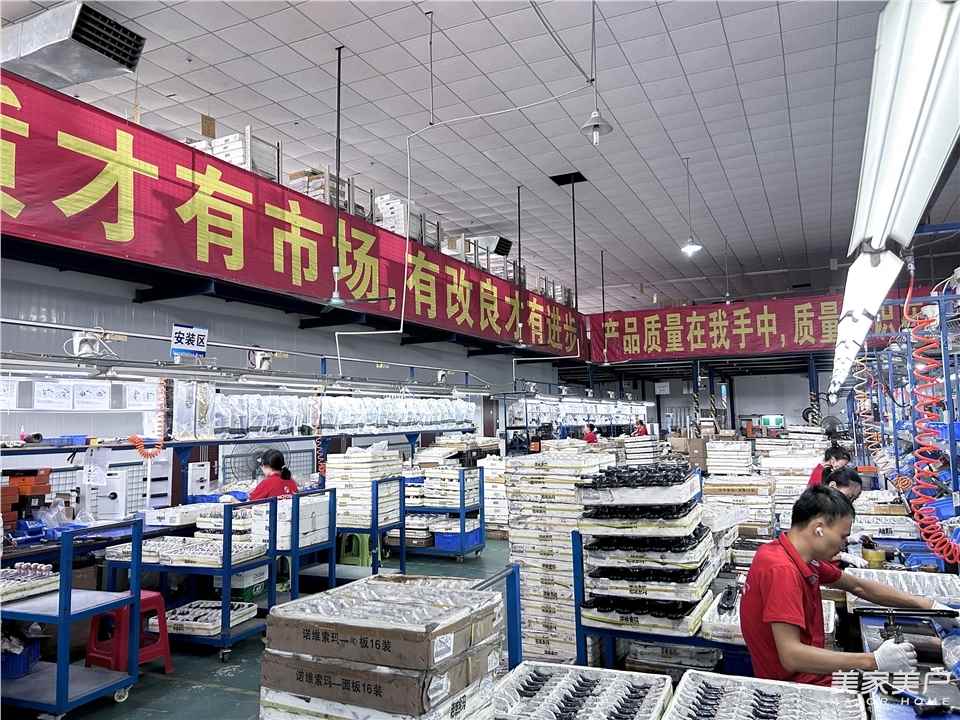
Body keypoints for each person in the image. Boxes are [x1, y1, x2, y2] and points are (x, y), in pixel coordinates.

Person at [740, 486, 956, 685]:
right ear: (818, 529)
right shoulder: (782, 571)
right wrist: (873, 661)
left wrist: (928, 605)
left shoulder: (793, 554)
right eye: (843, 536)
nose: (844, 544)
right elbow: (792, 657)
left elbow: (858, 586)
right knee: (912, 688)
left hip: (813, 672)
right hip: (799, 685)